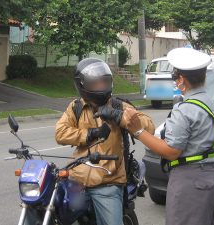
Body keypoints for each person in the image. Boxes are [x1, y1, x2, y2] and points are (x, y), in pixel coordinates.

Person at [123, 48, 214, 225]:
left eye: (175, 77)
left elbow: (171, 152)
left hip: (191, 182)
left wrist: (138, 131)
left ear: (181, 80)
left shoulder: (184, 109)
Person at [55, 58, 155, 225]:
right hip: (76, 179)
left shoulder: (119, 105)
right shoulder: (76, 107)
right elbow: (60, 133)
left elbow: (149, 127)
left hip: (107, 182)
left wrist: (118, 116)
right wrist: (90, 133)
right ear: (82, 84)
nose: (101, 86)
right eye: (96, 83)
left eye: (104, 81)